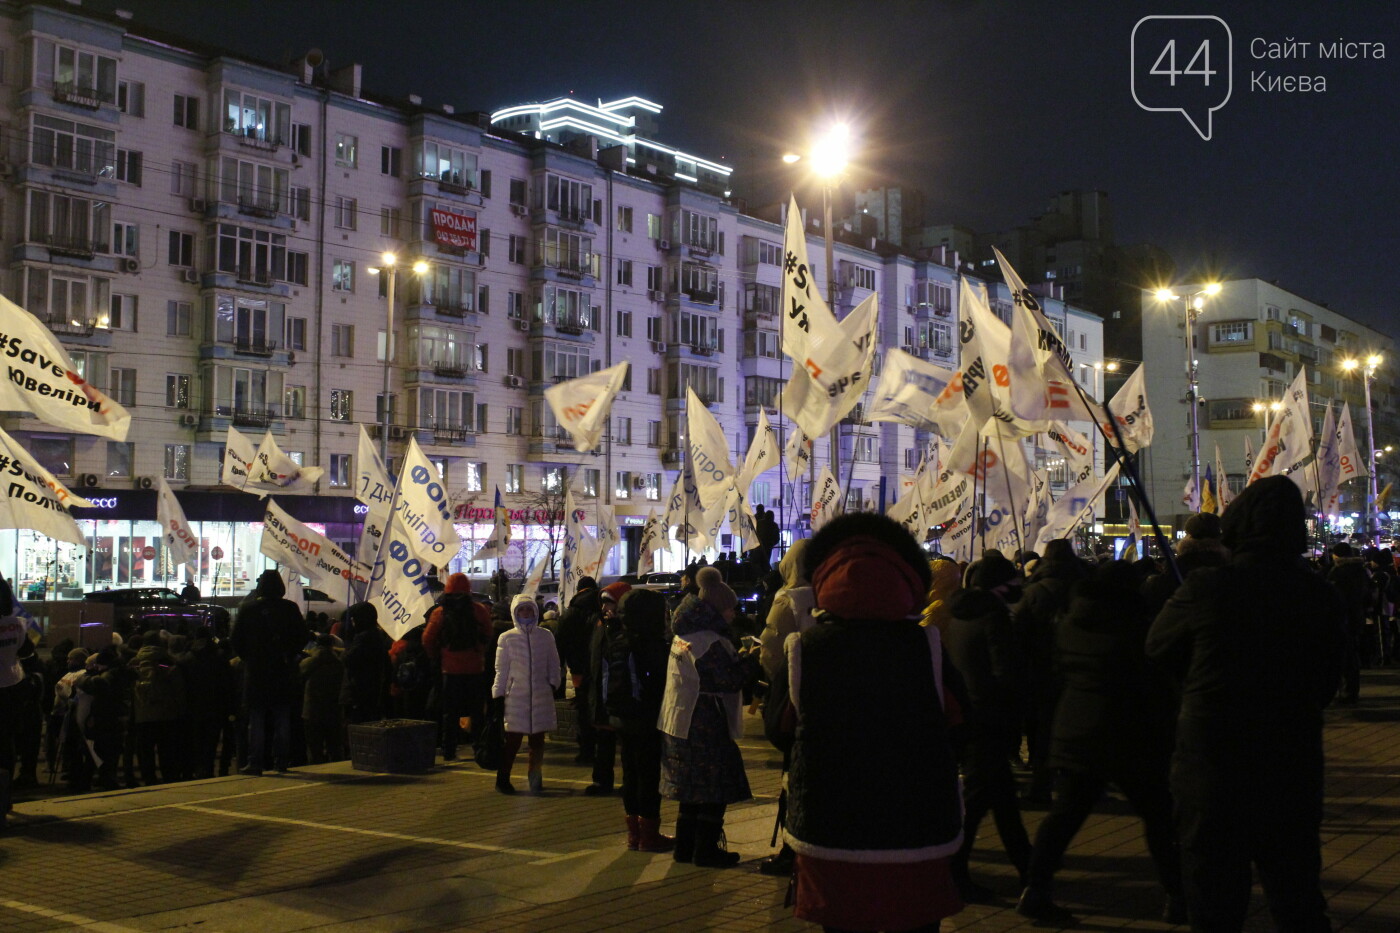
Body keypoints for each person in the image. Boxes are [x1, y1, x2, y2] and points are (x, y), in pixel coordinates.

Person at [1147, 476, 1346, 931]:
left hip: (1213, 763)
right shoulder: (1320, 594)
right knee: (1296, 895)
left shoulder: (1208, 587)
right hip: (1290, 760)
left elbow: (1157, 648)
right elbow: (1327, 681)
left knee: (1214, 897)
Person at [784, 513, 965, 933]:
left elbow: (782, 728)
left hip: (831, 822)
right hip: (916, 821)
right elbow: (960, 720)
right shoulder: (927, 647)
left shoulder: (804, 649)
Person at [1016, 561, 1184, 923]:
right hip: (1128, 735)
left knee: (1065, 816)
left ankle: (1036, 887)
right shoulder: (1136, 628)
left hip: (1077, 729)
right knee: (1159, 817)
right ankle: (1178, 893)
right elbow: (1153, 682)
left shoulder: (1071, 623)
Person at [943, 550, 1032, 902]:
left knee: (1002, 801)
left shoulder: (961, 613)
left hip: (972, 717)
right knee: (978, 802)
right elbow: (1006, 673)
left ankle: (1030, 869)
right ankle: (953, 872)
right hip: (990, 721)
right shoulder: (993, 616)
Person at [659, 567, 754, 868]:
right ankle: (706, 850)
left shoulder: (682, 634)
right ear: (715, 608)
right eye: (729, 608)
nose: (732, 614)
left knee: (690, 788)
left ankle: (684, 848)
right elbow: (727, 680)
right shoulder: (708, 641)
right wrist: (751, 662)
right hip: (704, 722)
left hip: (678, 719)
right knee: (714, 786)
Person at [1011, 538, 1089, 803]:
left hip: (1042, 669)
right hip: (1079, 669)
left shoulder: (1036, 590)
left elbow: (1019, 632)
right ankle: (1076, 783)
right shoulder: (1084, 586)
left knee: (1043, 727)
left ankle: (1041, 784)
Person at [756, 538, 814, 876]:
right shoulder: (830, 595)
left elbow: (771, 650)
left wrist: (775, 681)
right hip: (831, 701)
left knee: (792, 775)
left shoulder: (788, 599)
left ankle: (792, 849)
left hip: (795, 698)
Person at [607, 588, 674, 852]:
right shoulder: (652, 643)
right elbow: (661, 683)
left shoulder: (617, 638)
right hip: (647, 717)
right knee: (648, 775)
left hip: (622, 715)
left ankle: (633, 833)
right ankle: (649, 835)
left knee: (630, 773)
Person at [231, 570, 308, 775]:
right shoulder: (290, 608)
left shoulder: (248, 609)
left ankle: (255, 761)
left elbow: (236, 640)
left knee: (256, 719)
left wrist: (250, 658)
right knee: (282, 717)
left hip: (256, 672)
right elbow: (302, 637)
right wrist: (289, 654)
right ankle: (281, 760)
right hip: (282, 670)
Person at [492, 594, 561, 794]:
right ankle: (503, 777)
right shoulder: (507, 638)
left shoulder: (545, 636)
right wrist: (498, 693)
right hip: (516, 697)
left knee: (537, 741)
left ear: (535, 612)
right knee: (512, 741)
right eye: (521, 610)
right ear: (515, 613)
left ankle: (535, 776)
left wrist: (553, 682)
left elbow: (553, 662)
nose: (525, 613)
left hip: (540, 694)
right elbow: (501, 669)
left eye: (529, 609)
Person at [423, 573, 493, 760]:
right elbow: (488, 633)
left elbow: (427, 639)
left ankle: (449, 750)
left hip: (449, 669)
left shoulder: (440, 612)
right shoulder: (478, 610)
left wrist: (437, 656)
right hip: (475, 668)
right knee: (477, 711)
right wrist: (479, 651)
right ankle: (478, 746)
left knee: (449, 712)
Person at [583, 581, 631, 795]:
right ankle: (602, 781)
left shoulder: (626, 627)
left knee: (627, 742)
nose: (604, 609)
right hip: (601, 692)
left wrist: (616, 628)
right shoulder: (599, 624)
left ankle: (630, 781)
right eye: (603, 604)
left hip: (620, 692)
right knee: (603, 740)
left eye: (609, 604)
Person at [0, 576, 35, 827]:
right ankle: (6, 797)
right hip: (12, 686)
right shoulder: (18, 623)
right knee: (6, 744)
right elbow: (26, 652)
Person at [555, 575, 602, 764]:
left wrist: (559, 666)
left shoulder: (570, 612)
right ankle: (604, 748)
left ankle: (586, 751)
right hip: (602, 667)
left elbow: (560, 642)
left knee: (583, 709)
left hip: (578, 670)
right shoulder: (602, 607)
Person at [1327, 542, 1368, 706]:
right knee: (1351, 656)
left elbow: (1333, 596)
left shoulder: (1339, 572)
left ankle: (1346, 693)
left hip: (1341, 618)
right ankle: (1350, 691)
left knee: (1343, 657)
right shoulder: (1360, 570)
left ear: (1337, 555)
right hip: (1356, 616)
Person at [340, 602, 392, 725]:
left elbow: (348, 659)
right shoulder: (377, 636)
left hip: (360, 692)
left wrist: (346, 649)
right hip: (372, 692)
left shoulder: (363, 638)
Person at [300, 633, 344, 763]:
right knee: (334, 745)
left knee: (314, 747)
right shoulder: (339, 663)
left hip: (312, 710)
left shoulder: (308, 662)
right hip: (333, 709)